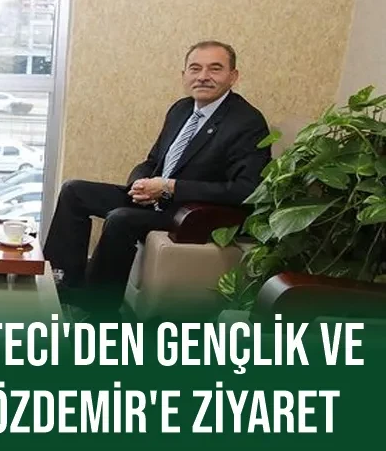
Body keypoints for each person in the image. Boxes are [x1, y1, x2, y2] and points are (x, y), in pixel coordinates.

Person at [43, 40, 272, 319]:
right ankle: (62, 285)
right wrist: (139, 184)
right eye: (195, 68)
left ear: (233, 76)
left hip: (191, 213)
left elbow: (246, 190)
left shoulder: (247, 122)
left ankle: (98, 311)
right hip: (157, 198)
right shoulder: (181, 110)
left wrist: (169, 187)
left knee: (121, 219)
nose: (203, 76)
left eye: (215, 69)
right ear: (184, 75)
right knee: (74, 191)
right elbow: (152, 161)